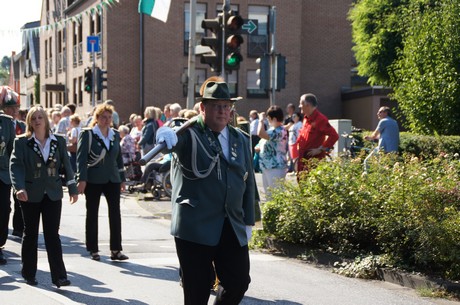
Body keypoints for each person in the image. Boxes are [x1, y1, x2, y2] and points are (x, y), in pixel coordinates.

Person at [155, 79, 255, 305]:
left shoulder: (240, 138)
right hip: (195, 225)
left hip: (231, 222)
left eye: (226, 106)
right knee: (196, 290)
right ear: (203, 108)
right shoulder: (189, 133)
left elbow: (249, 183)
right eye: (216, 106)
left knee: (239, 281)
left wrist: (249, 219)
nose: (222, 111)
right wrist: (165, 133)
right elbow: (172, 138)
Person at [9, 105, 78, 287]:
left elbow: (67, 166)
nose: (37, 121)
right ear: (29, 122)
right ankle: (29, 272)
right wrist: (19, 188)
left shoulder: (59, 141)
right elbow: (15, 166)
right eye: (33, 118)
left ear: (46, 120)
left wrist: (72, 188)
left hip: (53, 193)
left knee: (52, 235)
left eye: (40, 117)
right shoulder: (22, 142)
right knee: (31, 233)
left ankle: (59, 276)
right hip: (30, 194)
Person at [76, 103, 128, 262]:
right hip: (93, 179)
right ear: (97, 118)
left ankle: (116, 250)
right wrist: (81, 179)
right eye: (103, 117)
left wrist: (122, 179)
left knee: (115, 214)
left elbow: (118, 158)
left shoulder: (115, 134)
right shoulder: (89, 134)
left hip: (112, 178)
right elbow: (81, 159)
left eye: (109, 117)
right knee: (92, 213)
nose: (106, 120)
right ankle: (93, 248)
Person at [2, 94, 26, 238]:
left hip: (17, 166)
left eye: (15, 108)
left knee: (19, 199)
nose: (14, 111)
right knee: (5, 205)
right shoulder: (3, 123)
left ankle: (18, 227)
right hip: (4, 168)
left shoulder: (21, 126)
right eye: (10, 108)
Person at [296, 93, 339, 173]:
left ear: (307, 105)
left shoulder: (320, 119)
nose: (299, 106)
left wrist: (320, 149)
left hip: (313, 162)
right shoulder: (306, 118)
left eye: (301, 103)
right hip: (302, 161)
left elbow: (334, 136)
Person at [0, 86, 16, 265]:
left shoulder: (6, 122)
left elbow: (12, 151)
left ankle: (0, 246)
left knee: (4, 209)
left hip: (3, 175)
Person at [257, 106, 288, 198]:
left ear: (274, 119)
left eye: (269, 119)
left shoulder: (279, 130)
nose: (268, 121)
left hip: (276, 166)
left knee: (276, 196)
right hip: (268, 166)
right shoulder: (273, 130)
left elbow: (260, 133)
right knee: (269, 195)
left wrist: (261, 120)